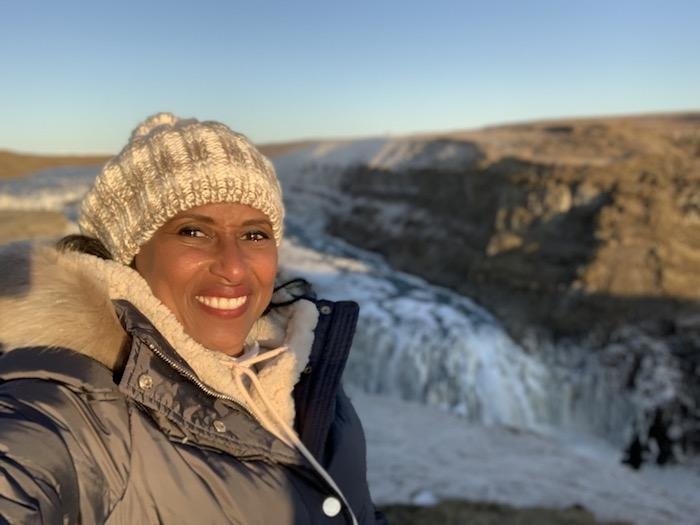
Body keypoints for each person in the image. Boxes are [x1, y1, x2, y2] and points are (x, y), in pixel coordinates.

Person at [0, 113, 385, 524]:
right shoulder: (72, 410)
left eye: (254, 234)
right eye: (193, 232)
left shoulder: (296, 367)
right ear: (128, 255)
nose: (234, 268)